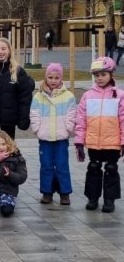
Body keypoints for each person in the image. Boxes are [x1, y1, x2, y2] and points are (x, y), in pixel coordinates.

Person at [74, 56, 124, 213]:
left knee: (111, 169)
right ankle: (92, 197)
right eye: (96, 75)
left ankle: (109, 199)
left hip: (112, 142)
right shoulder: (88, 96)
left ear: (111, 74)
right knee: (93, 167)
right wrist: (79, 142)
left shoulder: (119, 95)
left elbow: (123, 120)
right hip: (93, 141)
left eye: (103, 74)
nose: (100, 78)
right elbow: (81, 120)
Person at [30, 63, 77, 206]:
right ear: (46, 77)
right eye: (50, 77)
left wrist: (69, 128)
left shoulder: (68, 96)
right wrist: (37, 129)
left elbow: (72, 113)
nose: (53, 80)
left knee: (62, 165)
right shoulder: (39, 96)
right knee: (46, 166)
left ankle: (64, 193)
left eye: (57, 78)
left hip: (61, 138)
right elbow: (34, 114)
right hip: (45, 138)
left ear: (61, 78)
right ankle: (47, 192)